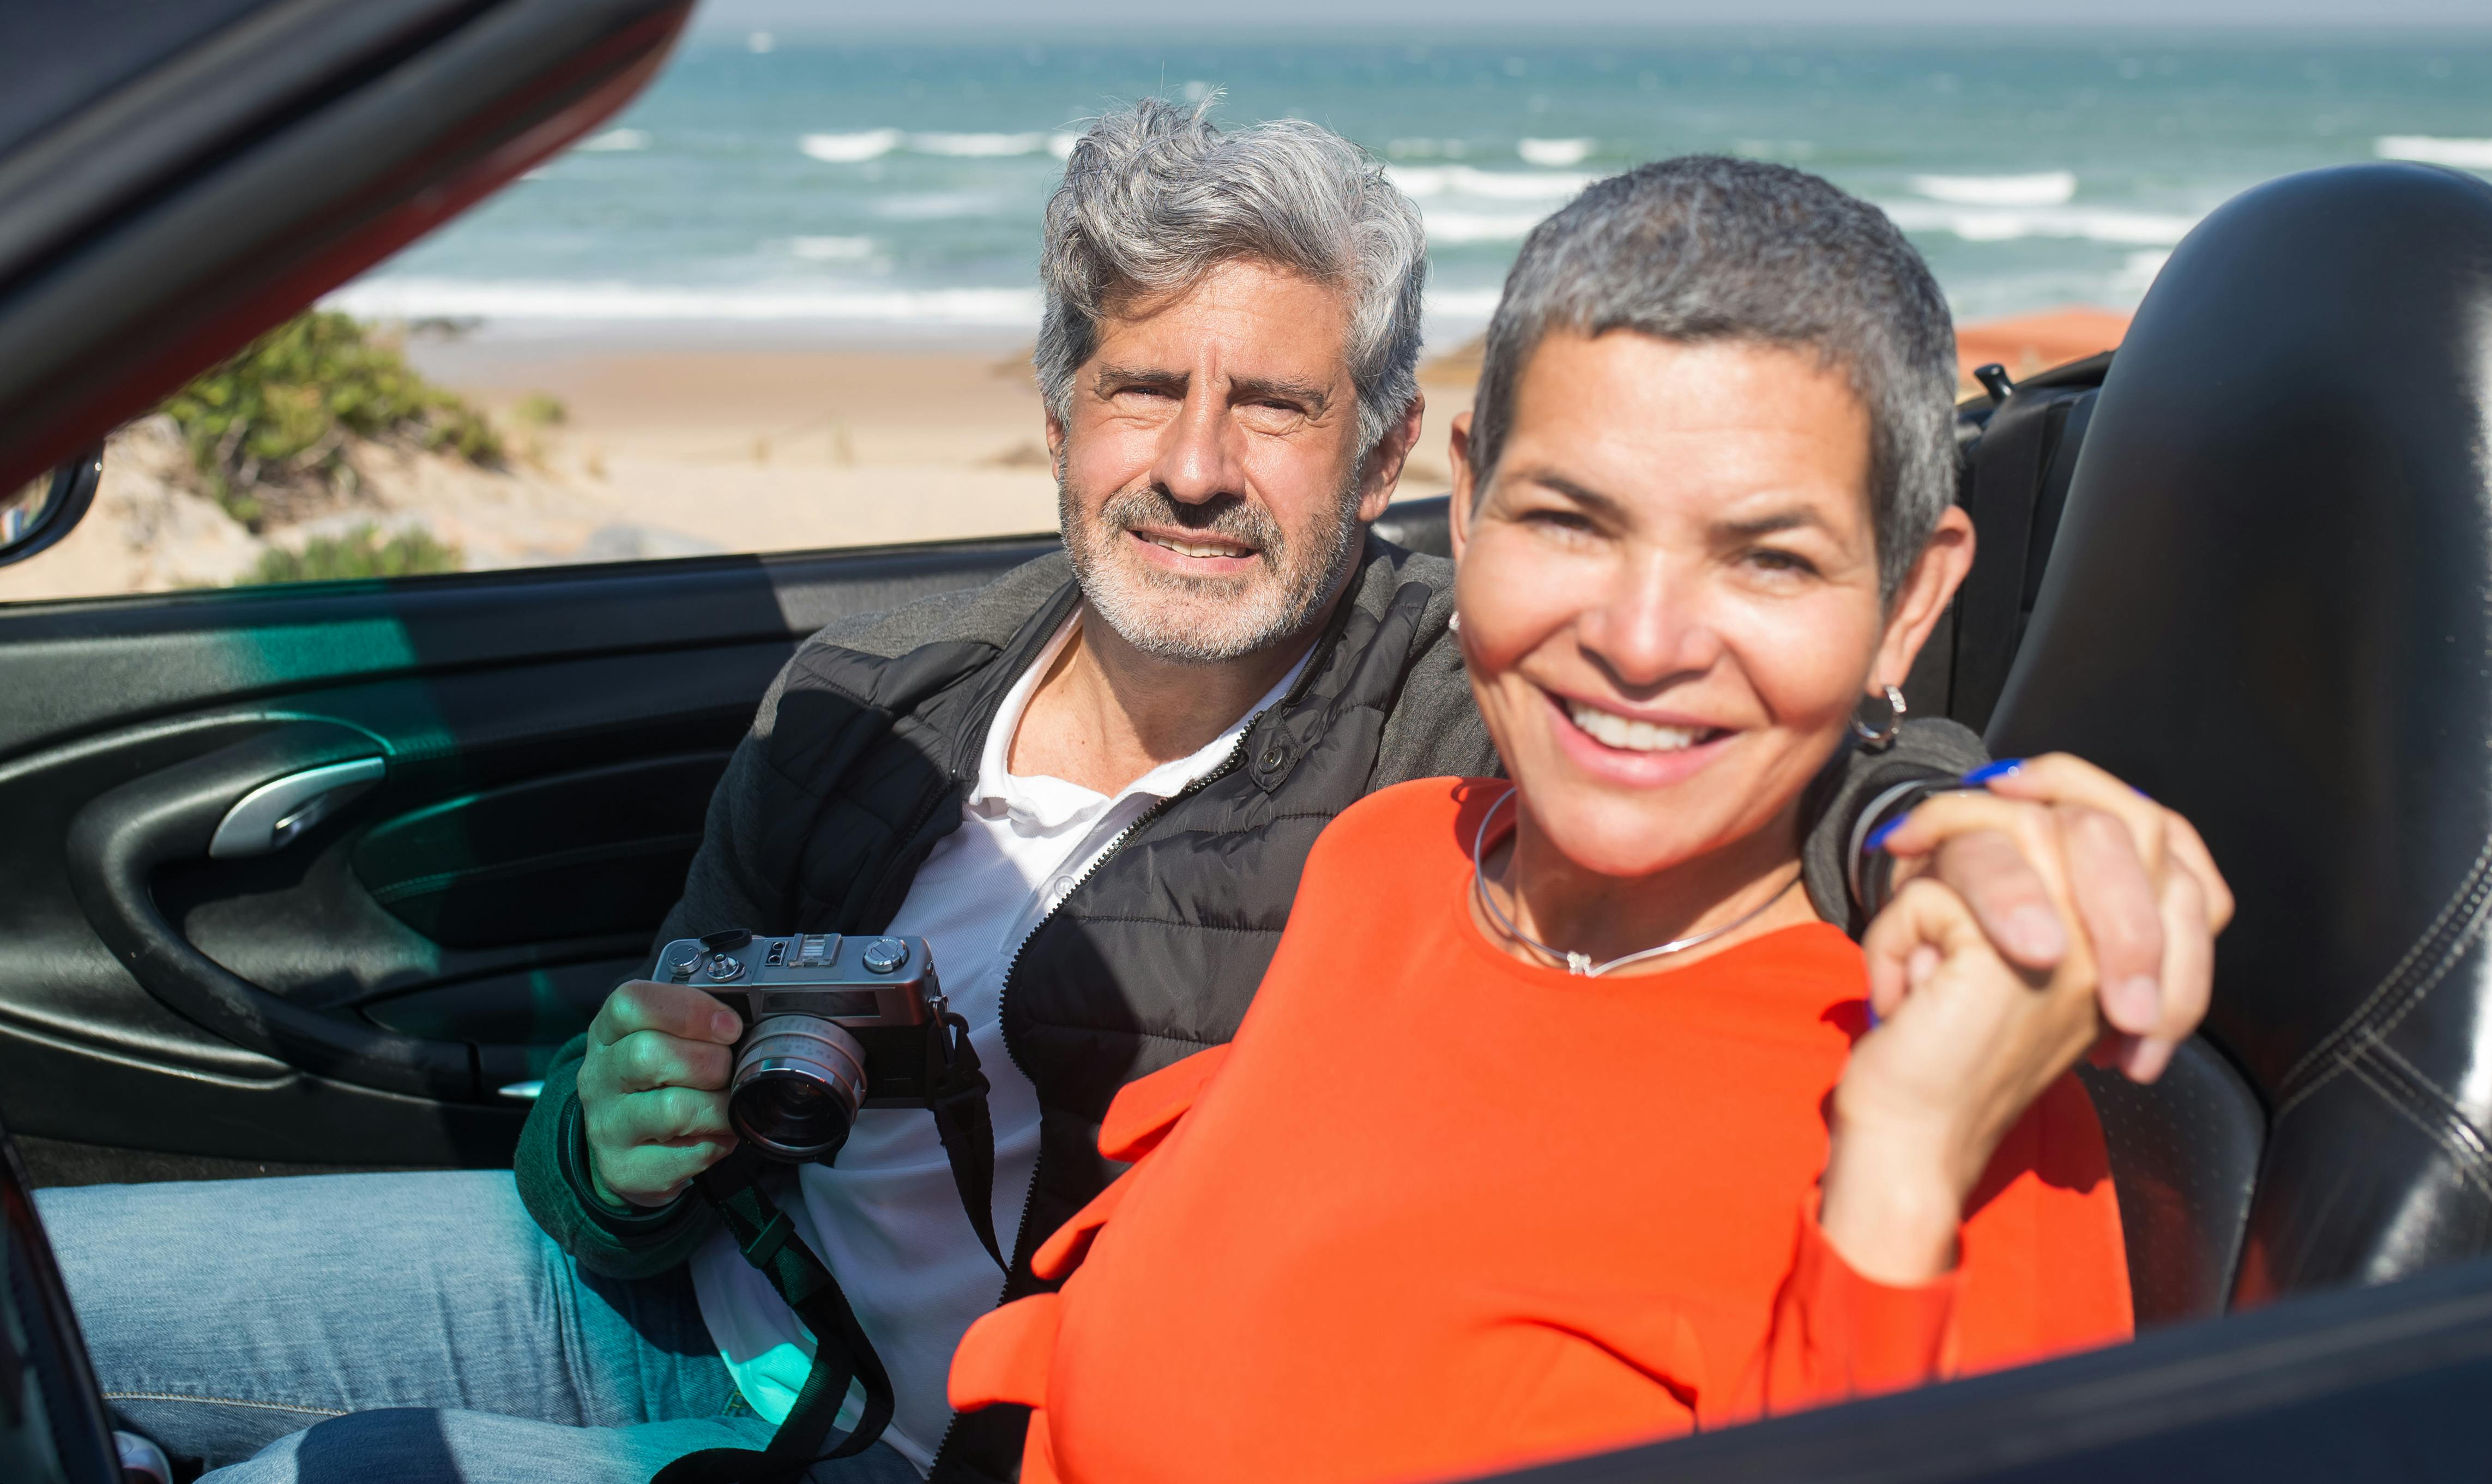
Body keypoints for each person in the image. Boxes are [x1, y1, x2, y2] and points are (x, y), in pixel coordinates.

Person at [41, 114, 2217, 1484]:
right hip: (690, 1301)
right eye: (1139, 387)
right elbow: (686, 1142)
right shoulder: (879, 697)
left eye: (1271, 403)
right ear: (1059, 418)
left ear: (1383, 467)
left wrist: (1975, 823)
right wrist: (608, 1144)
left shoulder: (1442, 733)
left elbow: (1783, 764)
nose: (1193, 459)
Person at [945, 157, 2230, 1484]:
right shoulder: (1391, 856)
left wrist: (1900, 1160)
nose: (1640, 640)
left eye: (1768, 557)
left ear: (1909, 602)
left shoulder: (1966, 1091)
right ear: (1467, 502)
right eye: (1567, 520)